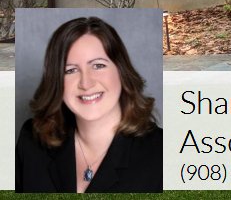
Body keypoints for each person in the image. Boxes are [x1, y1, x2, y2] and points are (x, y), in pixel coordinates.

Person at [16, 16, 163, 193]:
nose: (86, 83)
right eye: (70, 70)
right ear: (57, 81)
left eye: (98, 66)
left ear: (121, 71)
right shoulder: (31, 141)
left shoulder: (163, 153)